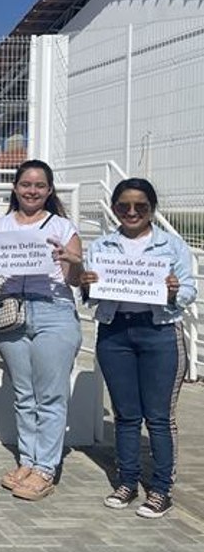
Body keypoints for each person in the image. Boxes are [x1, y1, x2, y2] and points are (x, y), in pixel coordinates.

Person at [81, 178, 196, 519]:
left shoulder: (171, 246)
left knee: (159, 418)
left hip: (158, 331)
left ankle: (161, 489)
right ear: (114, 209)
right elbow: (89, 297)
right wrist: (86, 286)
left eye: (141, 207)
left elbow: (189, 291)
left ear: (151, 209)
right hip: (115, 333)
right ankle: (127, 481)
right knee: (126, 415)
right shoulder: (102, 246)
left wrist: (174, 290)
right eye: (124, 206)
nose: (132, 212)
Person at [0, 159, 83, 502]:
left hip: (54, 311)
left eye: (39, 186)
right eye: (25, 185)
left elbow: (75, 280)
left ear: (49, 191)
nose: (31, 191)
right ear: (15, 188)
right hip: (12, 313)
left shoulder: (63, 227)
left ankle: (45, 468)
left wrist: (73, 261)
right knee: (23, 394)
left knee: (50, 395)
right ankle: (29, 460)